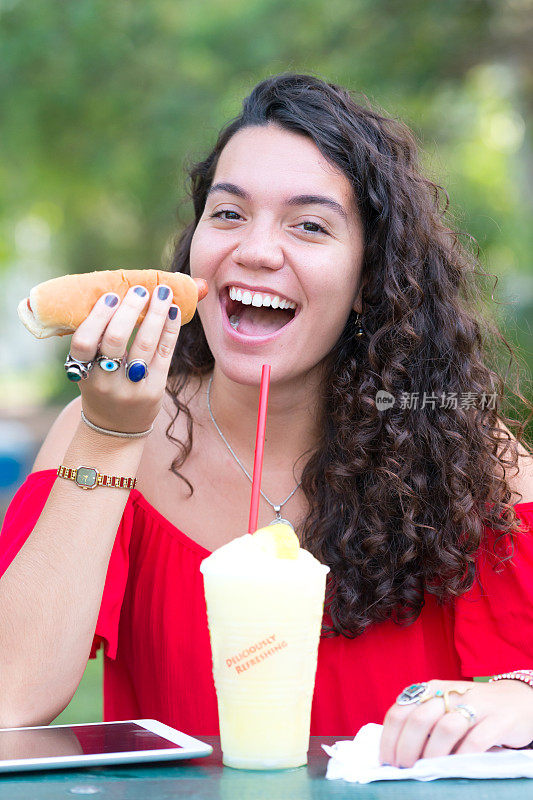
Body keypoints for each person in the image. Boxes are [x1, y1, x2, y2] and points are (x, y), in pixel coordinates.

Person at [1, 73, 532, 767]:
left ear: (371, 280)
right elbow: (10, 701)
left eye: (309, 225)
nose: (254, 249)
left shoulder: (466, 457)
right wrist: (108, 437)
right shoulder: (96, 431)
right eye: (227, 214)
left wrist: (520, 693)